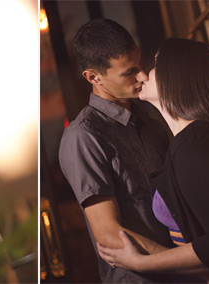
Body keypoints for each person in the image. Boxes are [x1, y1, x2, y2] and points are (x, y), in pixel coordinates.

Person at [96, 38, 209, 282]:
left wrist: (142, 262)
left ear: (176, 76)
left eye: (156, 64)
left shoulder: (195, 145)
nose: (144, 74)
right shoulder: (190, 141)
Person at [58, 19, 175, 283]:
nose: (143, 76)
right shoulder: (84, 136)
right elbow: (109, 234)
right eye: (129, 72)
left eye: (140, 64)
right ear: (93, 77)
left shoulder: (149, 119)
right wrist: (186, 265)